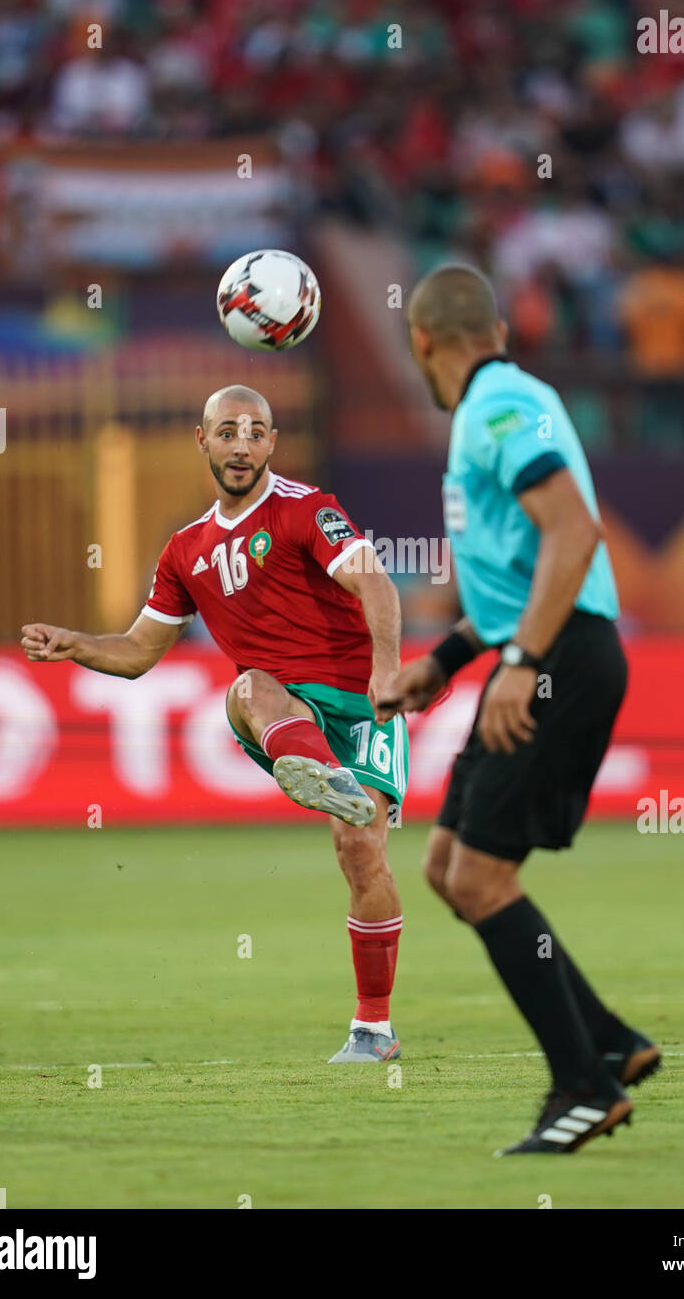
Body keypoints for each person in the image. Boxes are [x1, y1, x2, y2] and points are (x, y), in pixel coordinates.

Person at [21, 385, 407, 1064]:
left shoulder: (306, 508)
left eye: (256, 432)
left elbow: (375, 583)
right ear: (202, 440)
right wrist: (75, 643)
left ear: (272, 443)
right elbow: (140, 651)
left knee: (360, 852)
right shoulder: (185, 551)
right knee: (247, 687)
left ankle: (373, 1029)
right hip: (285, 705)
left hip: (359, 698)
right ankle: (325, 774)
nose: (241, 445)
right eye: (227, 431)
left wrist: (388, 670)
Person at [378, 266, 659, 1154]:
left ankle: (583, 1086)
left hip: (560, 659)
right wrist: (449, 660)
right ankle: (611, 1041)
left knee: (479, 881)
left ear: (422, 342)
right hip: (538, 653)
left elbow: (575, 534)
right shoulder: (507, 399)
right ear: (496, 326)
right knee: (447, 863)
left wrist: (524, 662)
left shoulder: (495, 410)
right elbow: (518, 566)